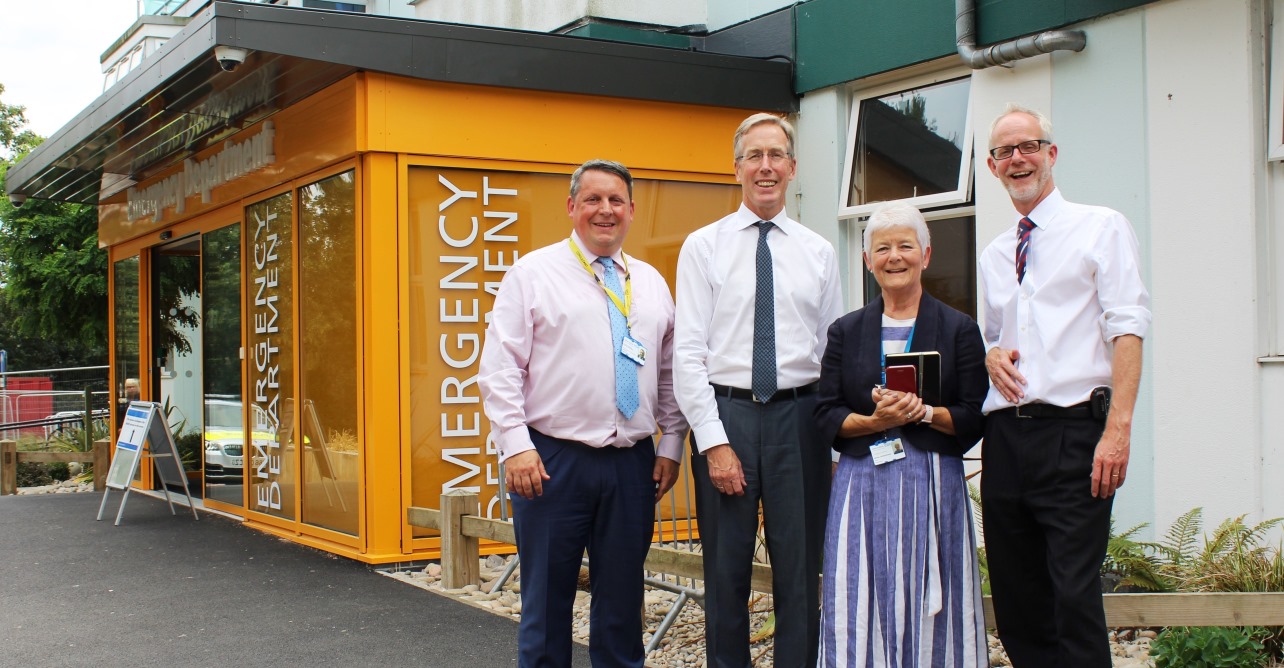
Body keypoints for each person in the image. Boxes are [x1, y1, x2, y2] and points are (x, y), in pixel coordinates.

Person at [478, 159, 689, 668]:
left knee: (621, 606)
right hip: (551, 463)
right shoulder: (533, 273)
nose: (605, 210)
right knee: (548, 605)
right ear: (572, 208)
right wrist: (517, 446)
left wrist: (670, 445)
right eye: (592, 199)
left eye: (616, 200)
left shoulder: (652, 282)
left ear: (632, 211)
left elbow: (668, 373)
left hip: (632, 464)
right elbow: (499, 367)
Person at [978, 104, 1151, 667]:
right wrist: (990, 356)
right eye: (1005, 151)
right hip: (1006, 439)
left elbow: (1128, 327)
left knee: (1073, 599)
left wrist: (1117, 429)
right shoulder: (995, 254)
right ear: (992, 166)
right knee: (1018, 600)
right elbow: (992, 338)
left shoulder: (1100, 227)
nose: (1018, 158)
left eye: (1030, 146)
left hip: (1074, 435)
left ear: (1051, 155)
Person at [674, 113, 843, 667]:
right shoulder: (703, 246)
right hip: (729, 416)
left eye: (776, 156)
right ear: (738, 167)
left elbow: (831, 352)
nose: (765, 167)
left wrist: (835, 440)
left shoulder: (818, 252)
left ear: (792, 167)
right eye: (754, 156)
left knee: (800, 570)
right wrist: (714, 442)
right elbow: (689, 355)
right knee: (726, 571)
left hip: (801, 419)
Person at [813, 202, 988, 667]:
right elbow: (826, 413)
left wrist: (925, 413)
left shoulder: (959, 329)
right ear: (869, 260)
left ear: (926, 255)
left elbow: (973, 416)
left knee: (935, 601)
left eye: (905, 246)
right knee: (860, 595)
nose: (895, 256)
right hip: (862, 481)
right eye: (883, 248)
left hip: (932, 483)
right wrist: (875, 423)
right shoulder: (846, 331)